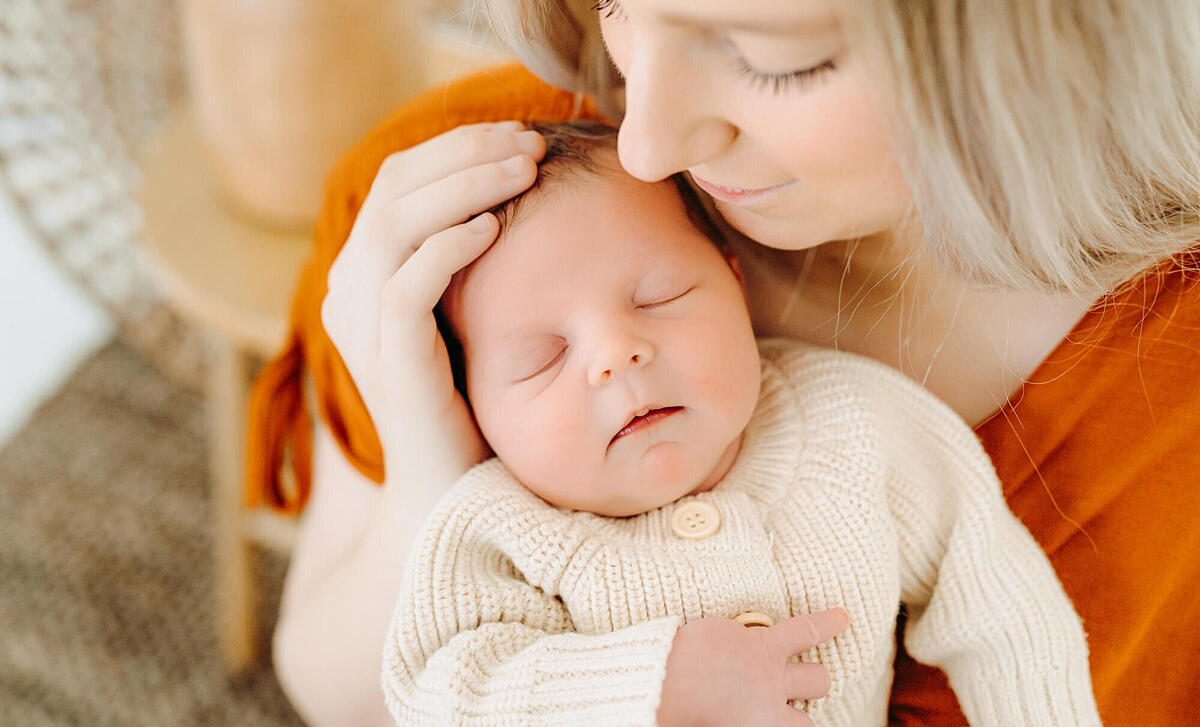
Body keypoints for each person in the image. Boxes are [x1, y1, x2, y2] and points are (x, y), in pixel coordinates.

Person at [250, 0, 1200, 725]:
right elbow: (344, 694)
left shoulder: (1166, 401)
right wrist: (430, 471)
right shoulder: (459, 223)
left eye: (773, 56)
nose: (648, 140)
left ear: (1054, 25)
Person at [380, 121, 1099, 726]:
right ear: (473, 399)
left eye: (659, 296)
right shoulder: (498, 529)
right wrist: (646, 686)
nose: (615, 357)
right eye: (543, 357)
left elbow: (1002, 608)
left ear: (734, 278)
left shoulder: (854, 426)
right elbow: (436, 694)